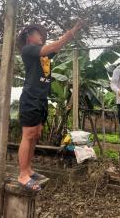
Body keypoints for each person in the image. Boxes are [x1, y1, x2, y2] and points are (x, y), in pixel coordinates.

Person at [17, 21, 83, 190]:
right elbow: (53, 46)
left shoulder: (43, 55)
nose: (42, 36)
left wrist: (72, 36)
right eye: (39, 34)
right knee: (28, 134)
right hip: (30, 98)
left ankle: (29, 170)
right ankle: (23, 175)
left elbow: (56, 48)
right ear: (29, 37)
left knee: (36, 133)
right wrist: (70, 32)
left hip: (41, 99)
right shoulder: (28, 50)